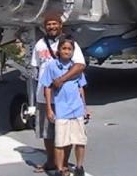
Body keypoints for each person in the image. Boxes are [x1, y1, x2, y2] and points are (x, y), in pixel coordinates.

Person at [31, 13, 86, 173]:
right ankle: (51, 161)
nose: (52, 27)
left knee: (66, 133)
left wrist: (61, 80)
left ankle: (63, 164)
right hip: (44, 95)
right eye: (48, 24)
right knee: (47, 132)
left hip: (65, 97)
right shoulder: (40, 44)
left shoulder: (69, 44)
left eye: (55, 24)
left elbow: (80, 66)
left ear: (60, 25)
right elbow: (36, 66)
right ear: (44, 27)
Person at [41, 37, 88, 176]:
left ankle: (79, 167)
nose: (66, 51)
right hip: (61, 110)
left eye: (69, 49)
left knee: (80, 141)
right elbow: (48, 88)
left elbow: (81, 88)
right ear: (59, 50)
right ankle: (60, 169)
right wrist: (49, 108)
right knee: (60, 142)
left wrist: (85, 107)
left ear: (73, 52)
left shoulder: (76, 67)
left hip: (77, 108)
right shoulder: (51, 66)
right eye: (64, 48)